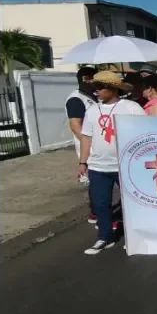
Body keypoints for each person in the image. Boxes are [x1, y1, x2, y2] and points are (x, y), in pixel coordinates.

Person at [77, 71, 146, 255]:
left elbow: (145, 133)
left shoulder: (131, 108)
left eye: (100, 87)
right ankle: (104, 237)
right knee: (100, 204)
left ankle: (136, 237)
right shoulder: (92, 111)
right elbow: (86, 137)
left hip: (126, 166)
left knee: (132, 204)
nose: (96, 91)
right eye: (95, 88)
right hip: (98, 167)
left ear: (113, 89)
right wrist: (83, 162)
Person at [64, 66, 97, 220]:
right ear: (85, 79)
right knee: (96, 182)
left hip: (99, 145)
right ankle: (95, 212)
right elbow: (75, 125)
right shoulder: (76, 99)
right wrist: (90, 143)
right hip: (90, 148)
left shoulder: (92, 96)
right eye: (93, 78)